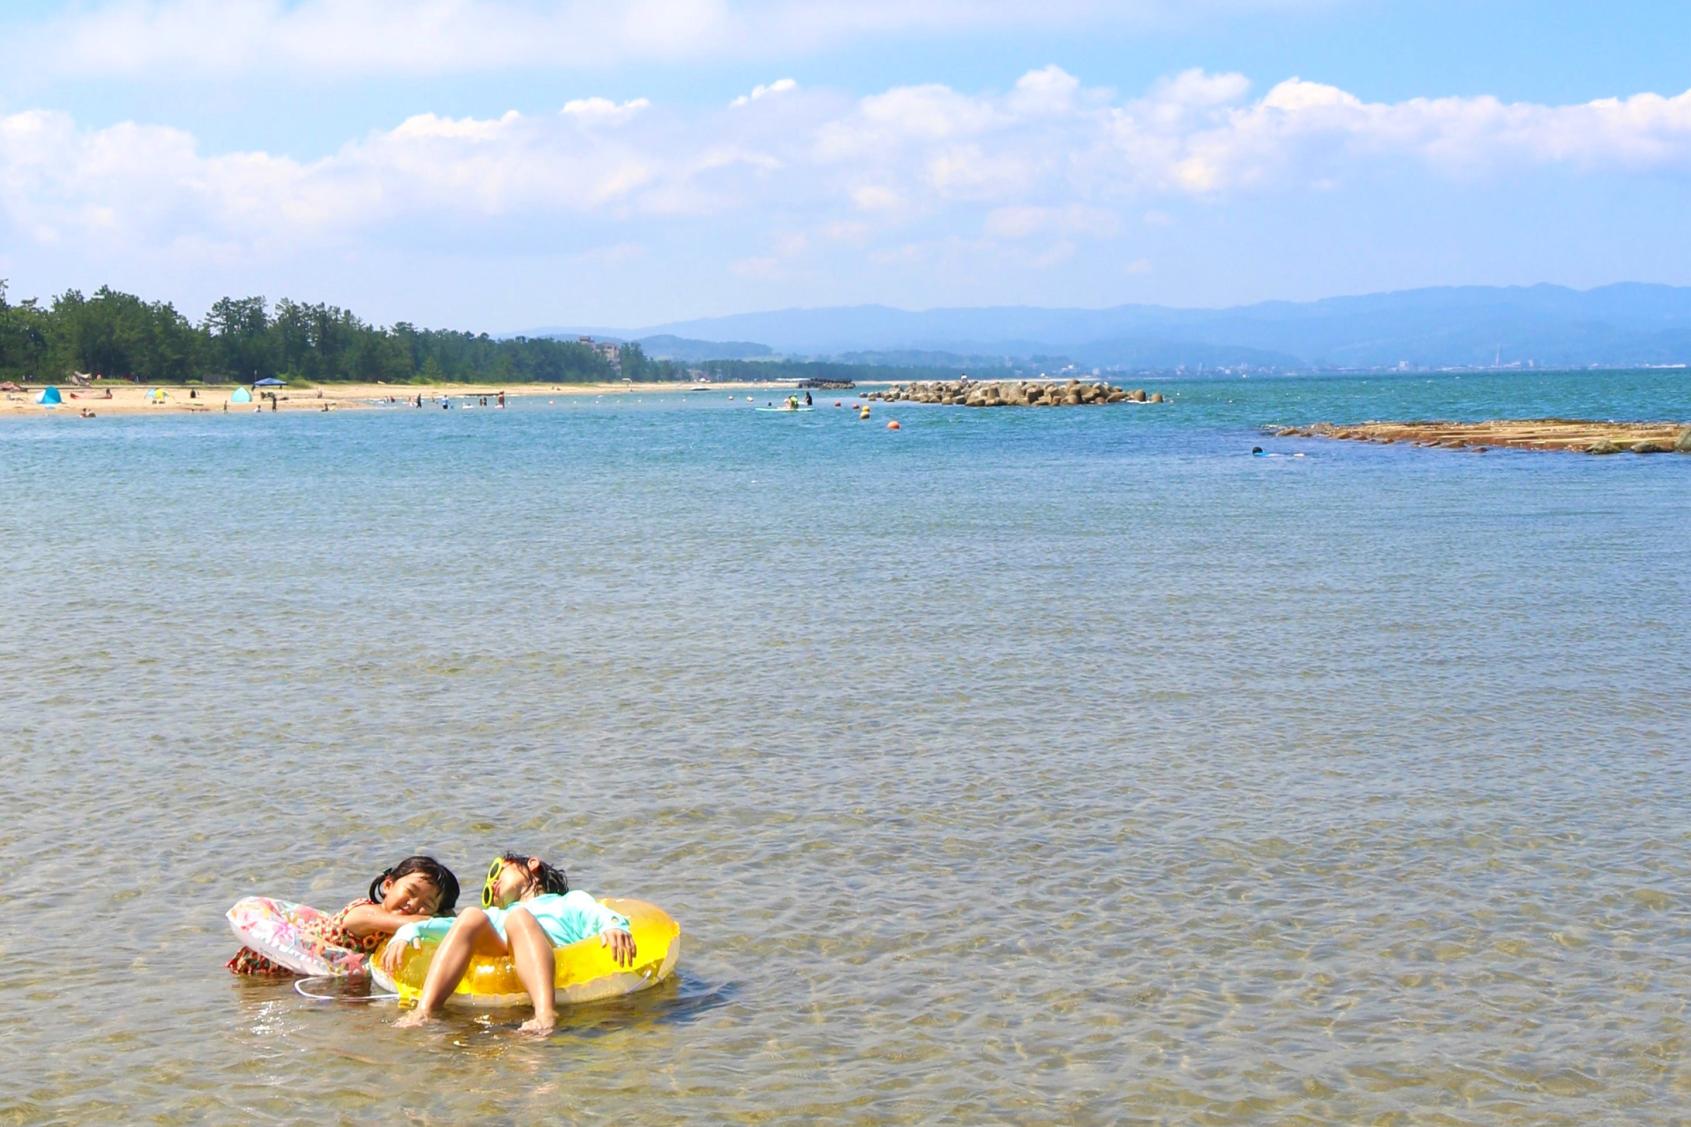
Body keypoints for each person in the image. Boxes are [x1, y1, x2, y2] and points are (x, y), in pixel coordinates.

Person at [389, 852, 635, 1034]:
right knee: (472, 915)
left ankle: (545, 1014)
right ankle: (425, 1011)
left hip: (554, 952)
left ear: (533, 864)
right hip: (506, 950)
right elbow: (449, 930)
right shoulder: (500, 914)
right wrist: (410, 930)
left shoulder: (567, 902)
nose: (492, 884)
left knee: (519, 918)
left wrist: (613, 925)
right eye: (488, 890)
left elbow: (596, 914)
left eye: (498, 872)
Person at [227, 855, 460, 976]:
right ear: (388, 885)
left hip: (324, 969)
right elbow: (406, 923)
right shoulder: (365, 912)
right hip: (271, 964)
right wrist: (451, 922)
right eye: (410, 892)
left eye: (426, 904)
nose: (413, 904)